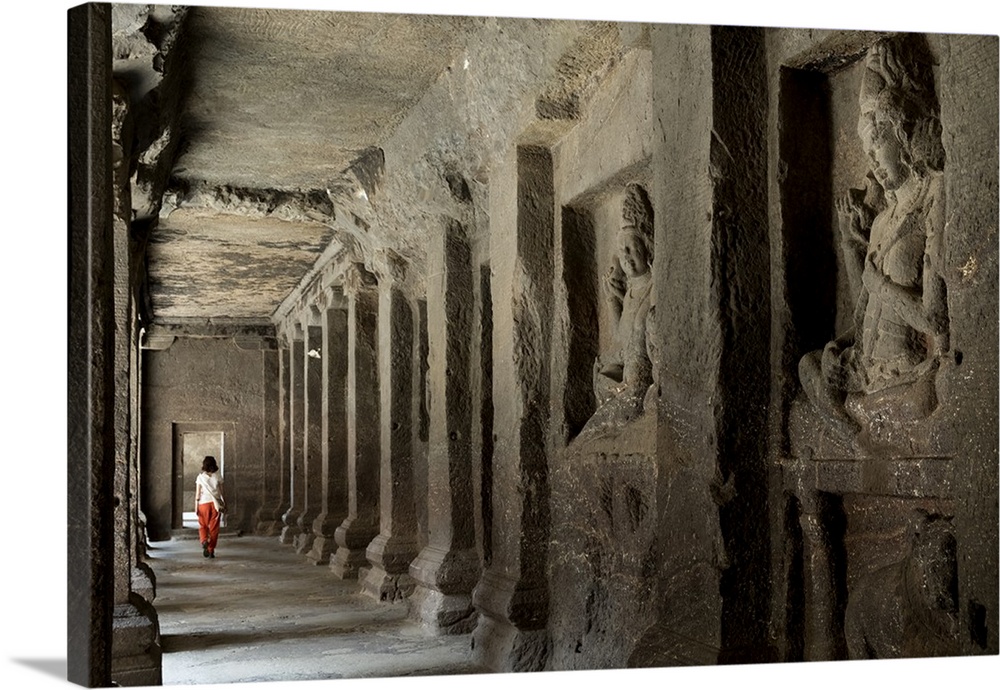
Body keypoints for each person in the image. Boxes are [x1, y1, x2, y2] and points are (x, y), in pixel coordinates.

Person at [798, 37, 948, 443]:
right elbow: (862, 316)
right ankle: (853, 433)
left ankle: (860, 431)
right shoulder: (882, 223)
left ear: (902, 133)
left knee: (926, 398)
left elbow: (935, 322)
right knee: (808, 366)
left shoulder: (932, 202)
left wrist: (879, 283)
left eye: (877, 143)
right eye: (866, 148)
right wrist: (837, 351)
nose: (873, 162)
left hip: (906, 367)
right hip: (866, 367)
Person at [579, 183, 655, 439]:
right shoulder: (632, 292)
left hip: (637, 393)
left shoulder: (655, 288)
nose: (626, 256)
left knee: (589, 438)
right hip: (626, 386)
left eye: (632, 248)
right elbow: (624, 339)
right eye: (622, 250)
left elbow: (643, 351)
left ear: (648, 248)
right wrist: (613, 299)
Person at [194, 455, 225, 558]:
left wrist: (196, 507)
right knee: (214, 528)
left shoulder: (200, 477)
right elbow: (222, 492)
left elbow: (198, 494)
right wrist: (225, 503)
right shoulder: (218, 476)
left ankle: (203, 541)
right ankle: (211, 550)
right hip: (215, 505)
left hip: (203, 504)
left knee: (202, 525)